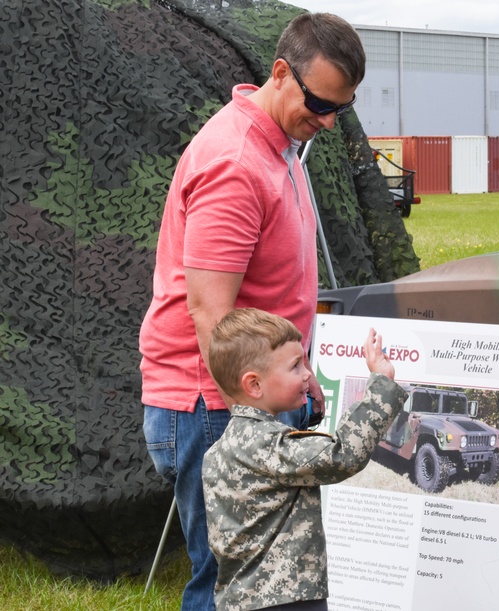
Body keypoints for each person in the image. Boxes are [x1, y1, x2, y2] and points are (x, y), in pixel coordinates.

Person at [138, 13, 365, 609]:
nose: (326, 120)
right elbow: (211, 315)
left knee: (266, 581)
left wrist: (294, 376)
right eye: (318, 102)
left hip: (251, 392)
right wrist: (254, 417)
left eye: (339, 108)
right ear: (281, 72)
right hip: (217, 406)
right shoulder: (237, 163)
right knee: (228, 585)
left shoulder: (280, 142)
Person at [201, 308, 406, 610]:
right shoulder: (268, 444)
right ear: (254, 384)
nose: (307, 373)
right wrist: (381, 384)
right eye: (296, 366)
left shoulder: (218, 451)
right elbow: (342, 454)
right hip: (285, 599)